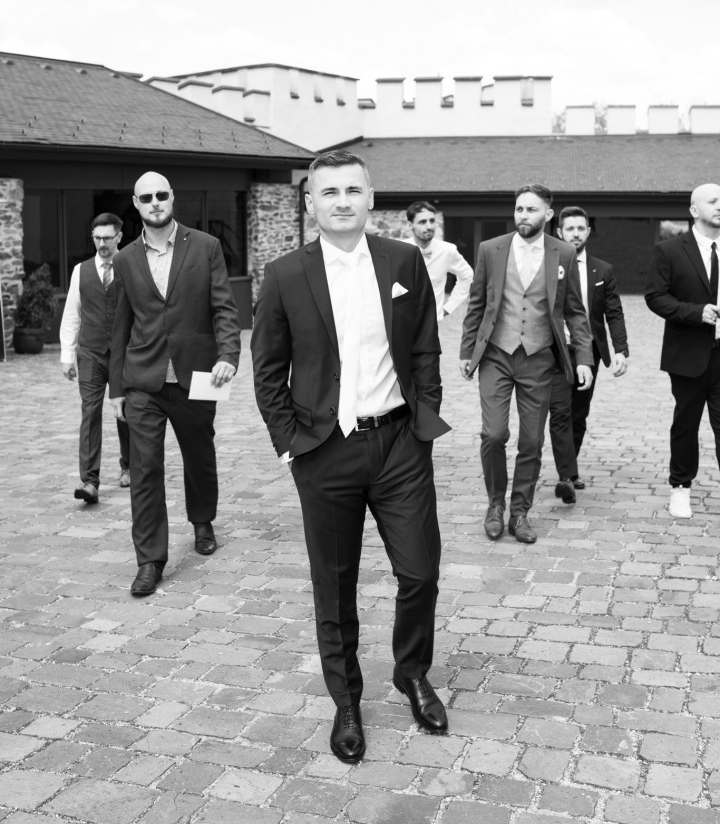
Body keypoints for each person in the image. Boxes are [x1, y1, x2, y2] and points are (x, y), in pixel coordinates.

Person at [251, 150, 451, 764]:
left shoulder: (402, 261)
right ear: (311, 202)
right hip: (324, 451)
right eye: (329, 192)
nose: (342, 201)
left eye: (353, 190)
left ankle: (411, 672)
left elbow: (424, 345)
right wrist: (291, 445)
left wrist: (423, 415)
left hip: (398, 445)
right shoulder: (284, 275)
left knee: (420, 571)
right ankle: (346, 701)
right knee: (334, 587)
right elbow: (268, 372)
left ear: (370, 198)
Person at [109, 172, 241, 596]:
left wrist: (228, 356)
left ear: (172, 198)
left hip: (199, 374)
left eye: (161, 195)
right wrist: (116, 389)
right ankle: (150, 560)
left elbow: (224, 307)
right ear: (136, 203)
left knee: (199, 455)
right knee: (144, 468)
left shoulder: (206, 246)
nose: (155, 202)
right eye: (146, 197)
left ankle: (203, 521)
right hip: (143, 380)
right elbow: (120, 326)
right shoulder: (125, 259)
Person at [459, 184, 594, 544]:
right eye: (519, 208)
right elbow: (477, 303)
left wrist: (584, 358)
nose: (523, 215)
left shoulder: (563, 252)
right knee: (493, 434)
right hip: (496, 355)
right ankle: (495, 505)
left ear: (548, 215)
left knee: (532, 441)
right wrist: (467, 351)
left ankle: (519, 512)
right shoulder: (490, 249)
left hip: (539, 358)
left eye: (531, 210)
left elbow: (575, 311)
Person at [645, 182, 720, 519]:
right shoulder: (670, 250)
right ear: (694, 210)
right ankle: (680, 487)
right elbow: (655, 297)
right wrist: (695, 312)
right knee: (686, 425)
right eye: (713, 201)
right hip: (689, 354)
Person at [548, 206, 629, 504]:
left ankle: (570, 469)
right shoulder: (547, 265)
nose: (576, 234)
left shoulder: (602, 270)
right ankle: (566, 475)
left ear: (588, 232)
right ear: (559, 232)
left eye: (581, 228)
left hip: (589, 351)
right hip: (554, 350)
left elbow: (614, 313)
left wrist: (620, 349)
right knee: (560, 411)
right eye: (570, 229)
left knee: (579, 413)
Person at [59, 212, 130, 504]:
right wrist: (67, 355)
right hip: (90, 353)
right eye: (97, 238)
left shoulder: (131, 266)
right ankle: (89, 481)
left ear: (119, 237)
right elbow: (72, 313)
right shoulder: (81, 271)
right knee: (90, 413)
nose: (102, 244)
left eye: (107, 238)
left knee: (125, 411)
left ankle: (129, 466)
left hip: (124, 353)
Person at [406, 201, 474, 321]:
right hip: (402, 321)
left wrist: (449, 307)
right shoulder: (398, 250)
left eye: (432, 221)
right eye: (422, 222)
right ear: (410, 225)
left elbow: (467, 275)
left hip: (432, 322)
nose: (429, 226)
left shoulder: (447, 250)